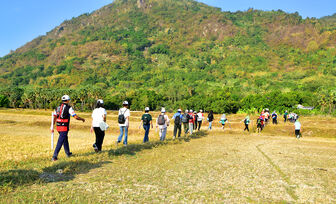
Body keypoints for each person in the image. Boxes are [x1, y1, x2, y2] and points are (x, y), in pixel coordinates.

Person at [51, 95, 85, 161]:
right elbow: (75, 117)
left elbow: (54, 116)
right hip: (64, 127)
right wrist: (82, 119)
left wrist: (53, 124)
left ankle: (68, 153)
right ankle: (54, 156)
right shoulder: (69, 108)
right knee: (60, 141)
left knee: (64, 139)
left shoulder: (57, 107)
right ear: (68, 100)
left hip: (58, 126)